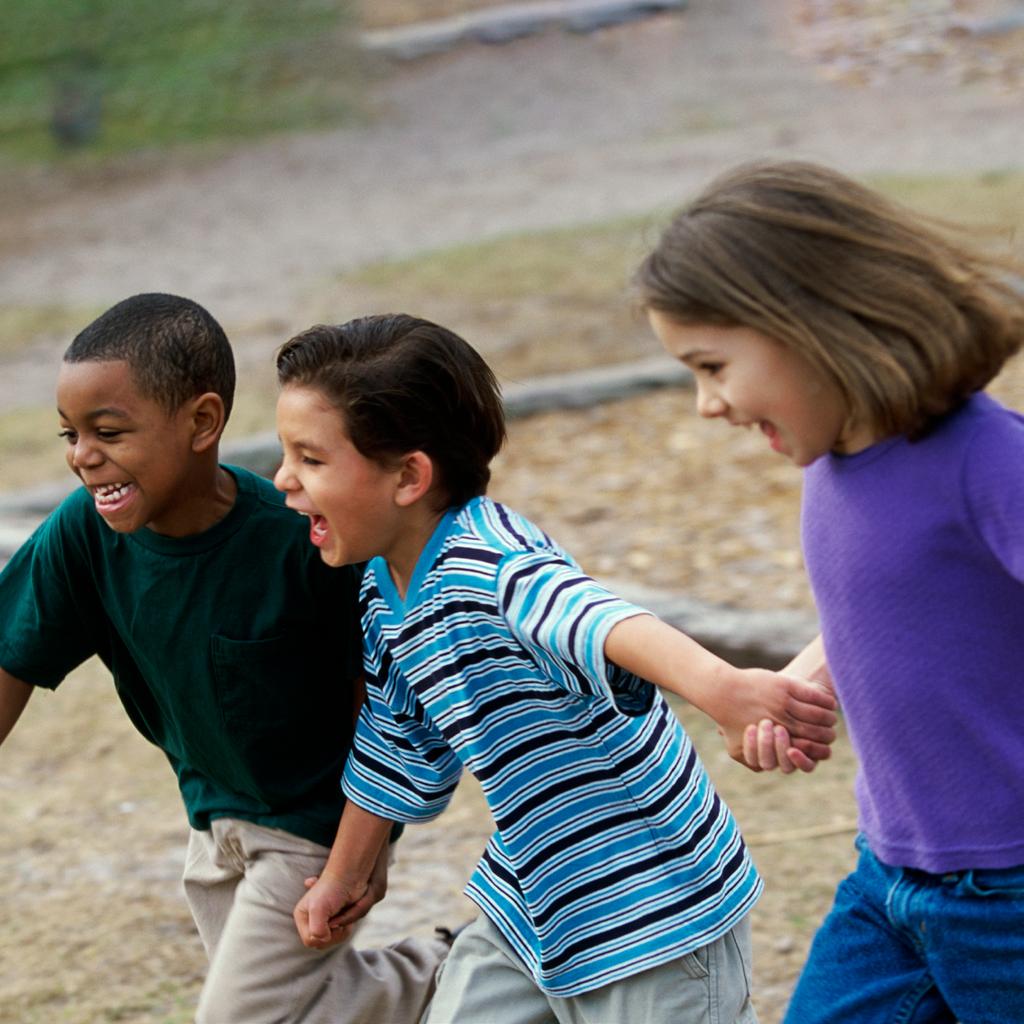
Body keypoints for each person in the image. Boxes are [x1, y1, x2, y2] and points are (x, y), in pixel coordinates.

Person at [271, 313, 839, 1024]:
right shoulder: (382, 592)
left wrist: (722, 689)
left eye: (311, 459)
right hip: (536, 899)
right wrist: (347, 875)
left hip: (652, 906)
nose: (283, 479)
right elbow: (398, 741)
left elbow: (592, 615)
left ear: (410, 476)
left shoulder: (490, 561)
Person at [637, 160, 1024, 1022]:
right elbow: (891, 607)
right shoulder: (835, 462)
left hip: (1008, 897)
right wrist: (810, 674)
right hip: (887, 884)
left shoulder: (985, 459)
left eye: (713, 365)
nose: (708, 404)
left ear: (808, 324)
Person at [0, 294, 448, 1024]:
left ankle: (453, 973)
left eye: (107, 431)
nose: (82, 455)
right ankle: (464, 972)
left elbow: (398, 703)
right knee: (315, 1010)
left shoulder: (301, 542)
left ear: (203, 423)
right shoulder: (86, 533)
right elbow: (8, 659)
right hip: (213, 827)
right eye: (69, 434)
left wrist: (358, 855)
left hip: (316, 825)